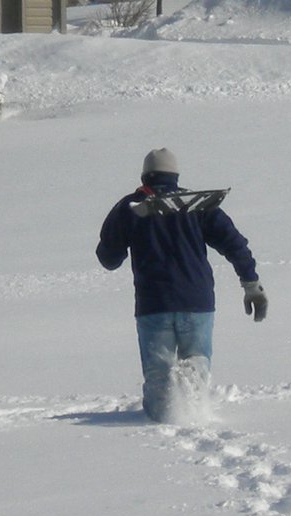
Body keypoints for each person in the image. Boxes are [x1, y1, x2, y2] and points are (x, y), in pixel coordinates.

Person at [96, 148, 267, 422]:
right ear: (175, 176)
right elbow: (235, 244)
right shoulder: (200, 206)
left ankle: (165, 417)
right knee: (198, 357)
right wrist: (251, 284)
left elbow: (108, 259)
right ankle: (195, 406)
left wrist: (126, 235)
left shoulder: (130, 208)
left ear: (145, 176)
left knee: (158, 375)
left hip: (155, 304)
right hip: (197, 301)